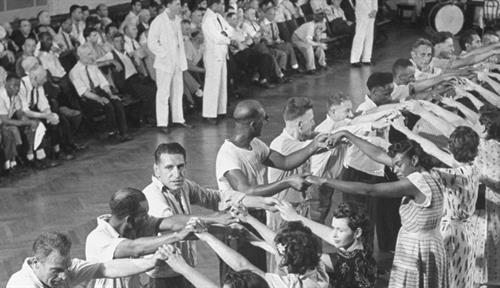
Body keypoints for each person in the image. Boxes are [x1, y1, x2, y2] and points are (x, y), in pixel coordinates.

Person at [307, 136, 447, 287]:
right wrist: (347, 134)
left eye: (398, 165)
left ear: (414, 160)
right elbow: (379, 155)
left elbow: (369, 190)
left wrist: (325, 181)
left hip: (416, 249)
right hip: (432, 245)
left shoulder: (415, 183)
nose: (394, 170)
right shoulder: (432, 173)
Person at [215, 99, 331, 273]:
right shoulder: (228, 155)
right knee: (240, 274)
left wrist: (314, 146)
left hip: (255, 215)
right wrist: (287, 182)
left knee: (257, 271)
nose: (266, 122)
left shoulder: (255, 144)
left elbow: (284, 161)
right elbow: (247, 191)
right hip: (235, 223)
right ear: (253, 124)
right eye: (264, 118)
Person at [143, 142, 277, 287]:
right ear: (157, 170)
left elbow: (215, 198)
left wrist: (260, 202)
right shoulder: (152, 196)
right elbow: (175, 225)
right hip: (164, 275)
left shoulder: (184, 186)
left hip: (184, 269)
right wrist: (220, 225)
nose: (177, 174)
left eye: (180, 166)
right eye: (169, 167)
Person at [7, 231, 168, 288]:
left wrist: (151, 262)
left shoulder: (62, 269)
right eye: (56, 271)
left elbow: (104, 268)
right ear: (36, 262)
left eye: (66, 268)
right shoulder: (22, 285)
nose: (63, 276)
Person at [266, 97, 317, 271]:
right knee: (284, 266)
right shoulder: (283, 145)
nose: (315, 124)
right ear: (300, 125)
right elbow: (321, 144)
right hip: (283, 217)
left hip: (300, 210)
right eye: (311, 121)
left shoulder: (299, 143)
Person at [278, 201, 377, 288]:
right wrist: (296, 217)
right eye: (334, 228)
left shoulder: (347, 262)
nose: (334, 235)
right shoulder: (363, 248)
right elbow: (329, 234)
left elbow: (299, 254)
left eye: (340, 230)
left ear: (357, 233)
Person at [69, 44, 131, 142]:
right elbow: (83, 92)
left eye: (92, 54)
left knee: (117, 102)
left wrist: (110, 94)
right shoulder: (74, 72)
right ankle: (112, 134)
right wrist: (99, 99)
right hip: (89, 97)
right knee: (108, 105)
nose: (92, 57)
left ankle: (124, 132)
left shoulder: (92, 66)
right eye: (89, 55)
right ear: (80, 56)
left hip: (99, 91)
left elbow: (103, 83)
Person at [148, 0, 192, 134]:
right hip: (164, 63)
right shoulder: (159, 20)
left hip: (177, 61)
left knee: (178, 91)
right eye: (177, 4)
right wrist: (164, 54)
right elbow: (152, 42)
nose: (179, 7)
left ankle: (178, 119)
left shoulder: (177, 19)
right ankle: (162, 123)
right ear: (168, 5)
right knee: (163, 92)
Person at [201, 0, 232, 124]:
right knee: (212, 85)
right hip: (213, 55)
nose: (223, 6)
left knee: (221, 83)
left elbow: (229, 29)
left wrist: (226, 34)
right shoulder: (208, 19)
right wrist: (227, 37)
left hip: (222, 53)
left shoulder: (218, 17)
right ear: (214, 4)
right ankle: (209, 114)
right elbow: (217, 37)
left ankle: (220, 110)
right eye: (221, 3)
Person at [0, 72, 33, 173]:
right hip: (3, 123)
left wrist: (26, 120)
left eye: (18, 86)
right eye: (14, 85)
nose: (17, 88)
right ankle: (7, 165)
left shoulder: (15, 96)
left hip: (4, 123)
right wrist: (24, 123)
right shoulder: (1, 96)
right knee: (8, 133)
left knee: (29, 127)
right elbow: (5, 119)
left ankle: (29, 158)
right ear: (6, 83)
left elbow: (19, 113)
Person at [350, 0, 377, 67]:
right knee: (360, 35)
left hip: (371, 10)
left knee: (369, 36)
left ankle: (367, 58)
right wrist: (368, 10)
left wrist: (375, 9)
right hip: (362, 10)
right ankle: (355, 59)